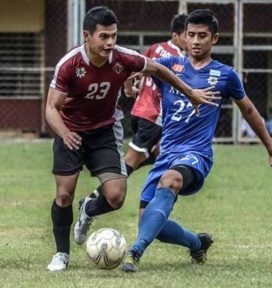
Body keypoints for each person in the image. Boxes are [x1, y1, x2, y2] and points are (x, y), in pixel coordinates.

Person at [121, 9, 272, 273]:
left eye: (202, 35)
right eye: (191, 35)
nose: (195, 41)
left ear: (214, 38)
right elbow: (140, 69)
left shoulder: (225, 75)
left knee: (171, 180)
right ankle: (197, 243)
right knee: (150, 223)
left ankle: (135, 252)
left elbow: (249, 111)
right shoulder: (170, 66)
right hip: (167, 152)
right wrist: (127, 83)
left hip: (196, 154)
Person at [45, 6, 219, 271]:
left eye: (113, 36)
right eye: (104, 36)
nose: (110, 42)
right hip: (70, 131)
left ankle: (89, 210)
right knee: (64, 195)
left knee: (115, 197)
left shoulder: (123, 57)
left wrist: (189, 91)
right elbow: (51, 108)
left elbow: (159, 70)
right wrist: (66, 133)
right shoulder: (70, 64)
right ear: (87, 36)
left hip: (104, 130)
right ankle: (62, 255)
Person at [84, 14, 188, 202]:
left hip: (139, 111)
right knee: (132, 160)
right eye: (188, 35)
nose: (192, 40)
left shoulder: (155, 48)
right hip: (154, 116)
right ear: (176, 36)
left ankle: (157, 206)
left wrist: (129, 89)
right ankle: (95, 198)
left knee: (161, 158)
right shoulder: (179, 59)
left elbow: (131, 72)